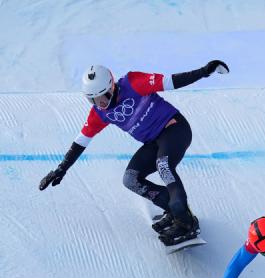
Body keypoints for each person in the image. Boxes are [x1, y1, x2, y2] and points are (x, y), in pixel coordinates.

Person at [38, 60, 230, 246]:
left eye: (103, 96)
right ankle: (173, 209)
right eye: (93, 100)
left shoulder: (133, 83)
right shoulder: (98, 113)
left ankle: (186, 222)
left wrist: (204, 71)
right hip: (153, 142)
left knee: (163, 166)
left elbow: (171, 81)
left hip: (174, 129)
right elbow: (81, 142)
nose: (101, 103)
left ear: (112, 85)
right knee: (130, 179)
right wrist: (61, 168)